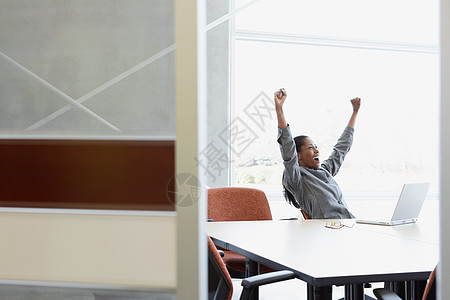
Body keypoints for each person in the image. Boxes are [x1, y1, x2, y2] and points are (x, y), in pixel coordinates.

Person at [274, 88, 361, 219]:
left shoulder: (325, 171)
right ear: (298, 156)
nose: (317, 150)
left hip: (348, 225)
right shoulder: (297, 180)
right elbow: (287, 149)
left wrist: (355, 112)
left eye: (316, 147)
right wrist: (279, 110)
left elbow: (341, 148)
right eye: (310, 148)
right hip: (327, 232)